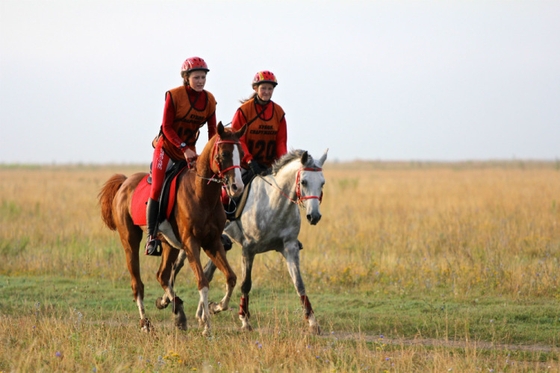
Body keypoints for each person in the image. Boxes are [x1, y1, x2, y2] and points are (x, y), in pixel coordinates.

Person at [145, 56, 217, 256]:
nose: (201, 81)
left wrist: (212, 155)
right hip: (167, 149)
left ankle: (217, 229)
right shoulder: (174, 96)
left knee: (208, 182)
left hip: (191, 152)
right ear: (186, 78)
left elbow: (213, 134)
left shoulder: (210, 100)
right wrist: (184, 147)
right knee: (158, 187)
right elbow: (166, 128)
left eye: (203, 77)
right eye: (196, 77)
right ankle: (152, 236)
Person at [231, 70, 287, 185]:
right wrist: (250, 160)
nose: (267, 92)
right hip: (246, 166)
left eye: (270, 89)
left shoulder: (279, 112)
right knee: (228, 196)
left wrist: (284, 163)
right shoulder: (244, 111)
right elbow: (239, 140)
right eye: (263, 88)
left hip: (270, 168)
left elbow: (281, 143)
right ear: (256, 89)